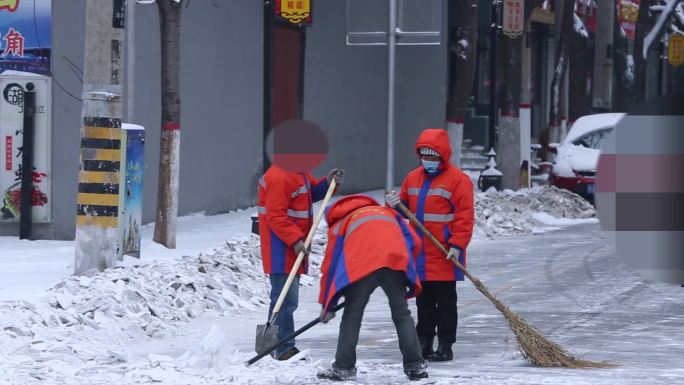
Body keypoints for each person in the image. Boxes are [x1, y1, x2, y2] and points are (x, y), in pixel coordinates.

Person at [316, 195, 428, 381]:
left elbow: (331, 265)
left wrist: (327, 304)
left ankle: (344, 368)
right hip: (395, 263)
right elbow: (414, 242)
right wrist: (404, 265)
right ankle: (415, 367)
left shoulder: (341, 224)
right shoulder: (388, 213)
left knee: (352, 315)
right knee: (402, 314)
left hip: (362, 268)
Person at [386, 128, 475, 362]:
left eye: (433, 158)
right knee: (423, 301)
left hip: (445, 252)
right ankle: (424, 341)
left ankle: (445, 345)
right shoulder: (413, 177)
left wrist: (457, 245)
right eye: (425, 157)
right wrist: (394, 204)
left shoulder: (458, 181)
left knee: (445, 301)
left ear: (443, 156)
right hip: (420, 253)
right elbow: (403, 208)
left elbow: (464, 218)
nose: (428, 162)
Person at [257, 165, 344, 360]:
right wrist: (295, 240)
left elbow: (308, 193)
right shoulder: (279, 177)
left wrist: (327, 184)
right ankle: (283, 347)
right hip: (280, 246)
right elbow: (276, 215)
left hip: (291, 244)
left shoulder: (298, 172)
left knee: (285, 298)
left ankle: (278, 344)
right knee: (285, 299)